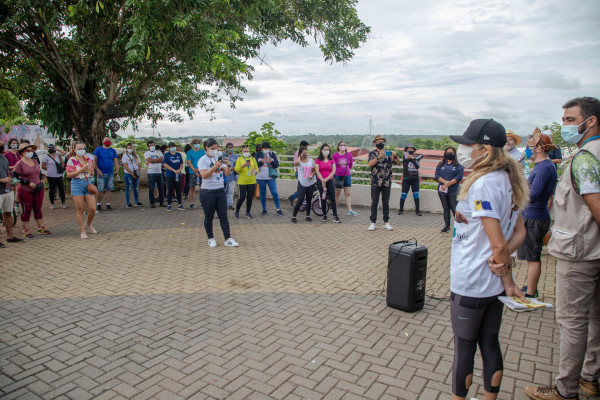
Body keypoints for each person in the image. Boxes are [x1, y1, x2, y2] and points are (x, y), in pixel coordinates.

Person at [525, 97, 600, 400]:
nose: (565, 125)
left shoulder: (585, 158)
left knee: (572, 321)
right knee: (595, 317)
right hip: (592, 249)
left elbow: (596, 206)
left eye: (570, 119)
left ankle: (565, 389)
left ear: (590, 121)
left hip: (579, 252)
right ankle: (590, 377)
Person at [449, 118, 528, 400]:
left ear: (485, 149)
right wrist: (503, 274)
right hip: (492, 285)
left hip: (472, 280)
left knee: (464, 348)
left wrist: (508, 280)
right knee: (490, 344)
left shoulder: (483, 185)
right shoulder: (508, 179)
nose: (463, 150)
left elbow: (498, 244)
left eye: (468, 145)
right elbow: (519, 232)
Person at [517, 130, 558, 299]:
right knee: (530, 256)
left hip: (535, 217)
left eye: (529, 146)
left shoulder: (544, 168)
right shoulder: (541, 166)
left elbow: (533, 195)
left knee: (533, 256)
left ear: (539, 148)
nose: (527, 150)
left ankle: (531, 293)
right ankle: (530, 285)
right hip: (532, 215)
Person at [198, 138, 238, 247]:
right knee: (209, 216)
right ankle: (210, 238)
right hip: (207, 192)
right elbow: (204, 175)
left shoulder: (219, 158)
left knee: (223, 216)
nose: (214, 151)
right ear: (206, 147)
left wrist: (228, 165)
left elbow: (227, 173)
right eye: (212, 149)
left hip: (220, 190)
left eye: (216, 149)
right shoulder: (203, 160)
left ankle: (227, 238)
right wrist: (214, 167)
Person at [13, 143, 51, 237]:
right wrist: (28, 183)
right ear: (22, 152)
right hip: (25, 190)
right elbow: (15, 178)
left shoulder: (35, 161)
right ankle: (26, 230)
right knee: (27, 210)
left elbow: (38, 172)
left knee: (38, 209)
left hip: (38, 188)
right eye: (28, 150)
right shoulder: (19, 163)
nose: (30, 152)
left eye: (31, 150)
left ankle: (41, 227)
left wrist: (41, 179)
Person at [368, 135, 400, 231]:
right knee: (374, 202)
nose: (380, 143)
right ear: (375, 143)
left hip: (386, 181)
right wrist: (378, 157)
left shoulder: (388, 153)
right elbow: (370, 164)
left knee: (385, 202)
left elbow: (397, 162)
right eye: (378, 142)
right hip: (375, 181)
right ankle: (373, 222)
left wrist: (395, 155)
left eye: (382, 142)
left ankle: (386, 222)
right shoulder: (372, 153)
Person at [65, 142, 97, 238]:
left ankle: (88, 224)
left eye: (83, 148)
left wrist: (89, 170)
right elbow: (68, 174)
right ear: (74, 150)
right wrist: (81, 170)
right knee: (80, 209)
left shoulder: (87, 159)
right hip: (77, 184)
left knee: (92, 208)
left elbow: (92, 173)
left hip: (87, 183)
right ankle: (82, 231)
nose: (81, 150)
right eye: (79, 149)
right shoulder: (72, 160)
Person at [434, 146, 464, 233]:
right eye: (448, 152)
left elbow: (458, 177)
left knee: (455, 208)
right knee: (446, 208)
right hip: (442, 190)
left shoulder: (458, 165)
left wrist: (448, 184)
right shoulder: (441, 164)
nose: (449, 154)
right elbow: (437, 175)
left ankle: (460, 227)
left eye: (451, 152)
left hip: (453, 190)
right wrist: (444, 183)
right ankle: (447, 226)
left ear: (454, 153)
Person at [0, 142, 23, 247]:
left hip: (7, 190)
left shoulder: (4, 158)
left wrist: (10, 180)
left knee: (8, 213)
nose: (2, 145)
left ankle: (10, 237)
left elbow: (6, 173)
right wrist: (2, 180)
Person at [315, 143, 340, 223]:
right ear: (321, 150)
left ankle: (335, 216)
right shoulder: (318, 160)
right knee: (323, 198)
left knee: (332, 198)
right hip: (320, 181)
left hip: (330, 181)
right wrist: (322, 180)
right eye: (325, 149)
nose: (326, 151)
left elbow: (333, 170)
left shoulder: (331, 159)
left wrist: (326, 179)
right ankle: (324, 215)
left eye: (328, 149)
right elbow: (317, 171)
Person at [256, 142, 283, 216]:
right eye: (265, 148)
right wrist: (262, 161)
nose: (266, 149)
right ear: (262, 149)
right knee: (262, 193)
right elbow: (255, 164)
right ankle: (264, 209)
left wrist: (271, 162)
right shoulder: (258, 154)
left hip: (271, 177)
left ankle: (278, 209)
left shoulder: (272, 154)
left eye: (268, 148)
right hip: (260, 177)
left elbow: (277, 165)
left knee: (274, 192)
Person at [291, 146, 317, 223]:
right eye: (303, 153)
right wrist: (300, 156)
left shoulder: (311, 161)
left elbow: (314, 170)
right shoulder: (299, 161)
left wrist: (311, 175)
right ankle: (294, 216)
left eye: (306, 153)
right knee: (300, 200)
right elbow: (295, 163)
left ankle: (307, 216)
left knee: (309, 200)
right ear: (300, 153)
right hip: (302, 183)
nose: (305, 154)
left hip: (310, 183)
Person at [333, 140, 358, 216]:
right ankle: (335, 209)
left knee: (348, 193)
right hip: (337, 176)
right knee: (337, 193)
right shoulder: (335, 155)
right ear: (338, 147)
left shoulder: (349, 155)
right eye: (341, 145)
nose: (343, 146)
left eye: (344, 145)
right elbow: (332, 165)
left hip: (347, 176)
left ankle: (349, 210)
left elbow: (350, 165)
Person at [93, 136, 118, 211]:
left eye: (109, 140)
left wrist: (117, 173)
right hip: (101, 173)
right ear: (103, 141)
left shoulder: (113, 151)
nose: (108, 141)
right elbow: (93, 160)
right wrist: (97, 170)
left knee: (109, 189)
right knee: (100, 189)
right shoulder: (98, 149)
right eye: (106, 140)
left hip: (110, 173)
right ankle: (98, 204)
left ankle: (108, 204)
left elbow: (116, 162)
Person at [234, 144, 258, 219]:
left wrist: (256, 172)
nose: (246, 152)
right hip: (242, 182)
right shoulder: (239, 159)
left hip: (252, 181)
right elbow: (236, 169)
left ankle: (248, 212)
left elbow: (256, 168)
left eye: (247, 151)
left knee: (250, 198)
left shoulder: (252, 159)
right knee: (242, 197)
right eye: (245, 151)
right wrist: (243, 166)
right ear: (242, 152)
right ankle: (237, 211)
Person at [398, 143, 422, 216]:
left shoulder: (416, 158)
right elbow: (406, 160)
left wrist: (413, 159)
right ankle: (401, 209)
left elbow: (417, 166)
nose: (410, 150)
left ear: (414, 150)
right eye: (408, 149)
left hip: (415, 179)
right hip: (406, 179)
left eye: (411, 149)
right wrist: (411, 158)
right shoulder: (405, 157)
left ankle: (417, 211)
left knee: (416, 195)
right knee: (403, 195)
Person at [41, 143, 66, 209]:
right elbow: (43, 166)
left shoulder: (57, 155)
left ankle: (63, 202)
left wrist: (56, 149)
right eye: (49, 148)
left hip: (59, 175)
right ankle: (52, 203)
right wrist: (49, 169)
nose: (51, 149)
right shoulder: (45, 157)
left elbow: (64, 153)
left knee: (61, 189)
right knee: (52, 189)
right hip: (50, 175)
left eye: (52, 148)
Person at [162, 142, 185, 211]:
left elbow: (181, 163)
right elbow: (165, 164)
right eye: (171, 147)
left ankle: (180, 204)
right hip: (170, 175)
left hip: (178, 174)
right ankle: (169, 205)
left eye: (174, 146)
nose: (173, 148)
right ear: (169, 148)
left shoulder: (178, 154)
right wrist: (173, 170)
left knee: (178, 190)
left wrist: (179, 170)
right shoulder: (167, 155)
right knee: (170, 190)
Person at [288, 140, 310, 207]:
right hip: (299, 173)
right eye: (306, 147)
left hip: (304, 172)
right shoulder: (297, 153)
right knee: (302, 189)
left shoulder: (303, 153)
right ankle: (292, 198)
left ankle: (299, 201)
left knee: (303, 188)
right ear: (302, 146)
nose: (306, 148)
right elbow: (296, 163)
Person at [144, 140, 165, 208]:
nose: (152, 147)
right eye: (150, 146)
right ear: (148, 147)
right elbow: (149, 160)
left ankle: (161, 202)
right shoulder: (146, 153)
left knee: (161, 188)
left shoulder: (159, 152)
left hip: (159, 172)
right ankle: (152, 202)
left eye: (153, 145)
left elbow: (161, 160)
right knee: (151, 188)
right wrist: (157, 160)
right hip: (151, 173)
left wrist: (153, 161)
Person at [186, 138, 205, 210]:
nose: (197, 144)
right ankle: (191, 203)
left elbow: (204, 161)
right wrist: (195, 170)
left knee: (202, 187)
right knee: (192, 188)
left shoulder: (202, 152)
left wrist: (199, 170)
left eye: (198, 143)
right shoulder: (189, 152)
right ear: (193, 144)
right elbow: (189, 162)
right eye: (195, 143)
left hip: (202, 172)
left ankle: (202, 202)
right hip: (192, 172)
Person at [122, 142, 143, 208]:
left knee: (136, 188)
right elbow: (125, 166)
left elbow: (139, 164)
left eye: (130, 148)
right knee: (128, 188)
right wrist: (132, 173)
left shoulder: (136, 156)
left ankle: (136, 201)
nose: (129, 149)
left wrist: (139, 172)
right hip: (128, 174)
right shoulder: (125, 156)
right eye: (128, 148)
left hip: (136, 173)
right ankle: (128, 203)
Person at [224, 142, 238, 209]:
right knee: (224, 191)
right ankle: (223, 204)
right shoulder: (223, 155)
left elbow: (238, 166)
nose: (230, 149)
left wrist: (235, 168)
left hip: (232, 177)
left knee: (231, 191)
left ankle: (230, 204)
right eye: (229, 147)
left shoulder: (236, 156)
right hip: (224, 177)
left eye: (231, 147)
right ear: (226, 148)